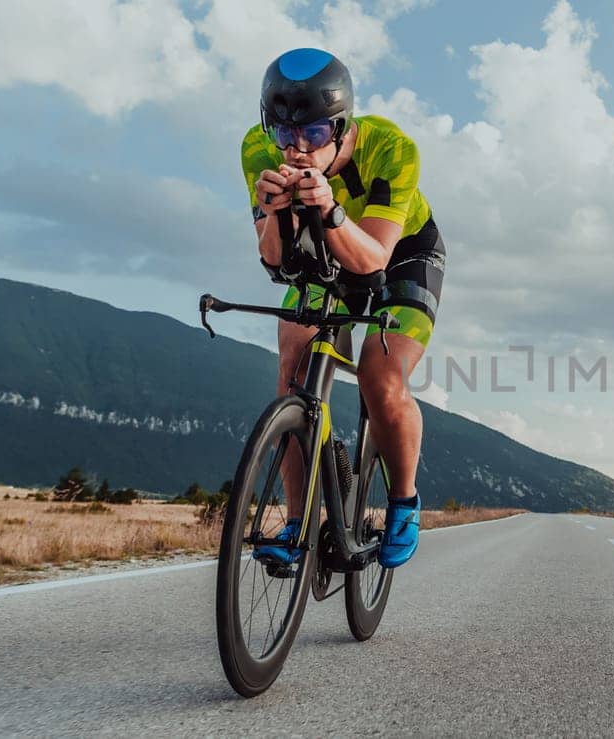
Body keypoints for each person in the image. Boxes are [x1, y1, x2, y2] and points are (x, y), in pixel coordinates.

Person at [241, 48, 445, 569]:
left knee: (382, 377)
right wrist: (273, 213)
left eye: (312, 134)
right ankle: (296, 522)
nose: (296, 150)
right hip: (319, 253)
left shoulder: (393, 148)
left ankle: (403, 500)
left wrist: (329, 207)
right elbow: (275, 262)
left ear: (342, 124)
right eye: (285, 135)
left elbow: (373, 259)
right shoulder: (258, 150)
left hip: (401, 255)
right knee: (291, 368)